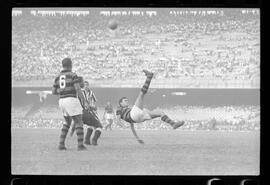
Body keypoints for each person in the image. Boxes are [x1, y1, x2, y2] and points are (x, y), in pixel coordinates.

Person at [116, 70, 185, 144]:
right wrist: (122, 126)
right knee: (141, 94)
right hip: (135, 116)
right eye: (125, 101)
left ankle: (173, 124)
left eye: (127, 100)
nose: (127, 101)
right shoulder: (119, 108)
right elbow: (117, 120)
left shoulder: (127, 111)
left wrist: (137, 138)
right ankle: (149, 76)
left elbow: (132, 127)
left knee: (160, 112)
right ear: (120, 103)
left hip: (138, 119)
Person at [52, 58, 88, 151]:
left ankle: (61, 144)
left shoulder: (57, 76)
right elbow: (78, 89)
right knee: (79, 121)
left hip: (62, 101)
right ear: (70, 65)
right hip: (71, 99)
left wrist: (62, 91)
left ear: (62, 65)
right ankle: (80, 145)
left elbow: (53, 91)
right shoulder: (73, 75)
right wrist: (84, 100)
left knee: (67, 122)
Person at [70, 79, 103, 146]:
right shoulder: (81, 93)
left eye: (87, 85)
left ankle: (87, 140)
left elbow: (93, 102)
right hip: (86, 112)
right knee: (99, 126)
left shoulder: (90, 93)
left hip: (80, 113)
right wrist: (93, 107)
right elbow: (87, 104)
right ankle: (94, 141)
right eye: (85, 85)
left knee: (90, 125)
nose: (86, 86)